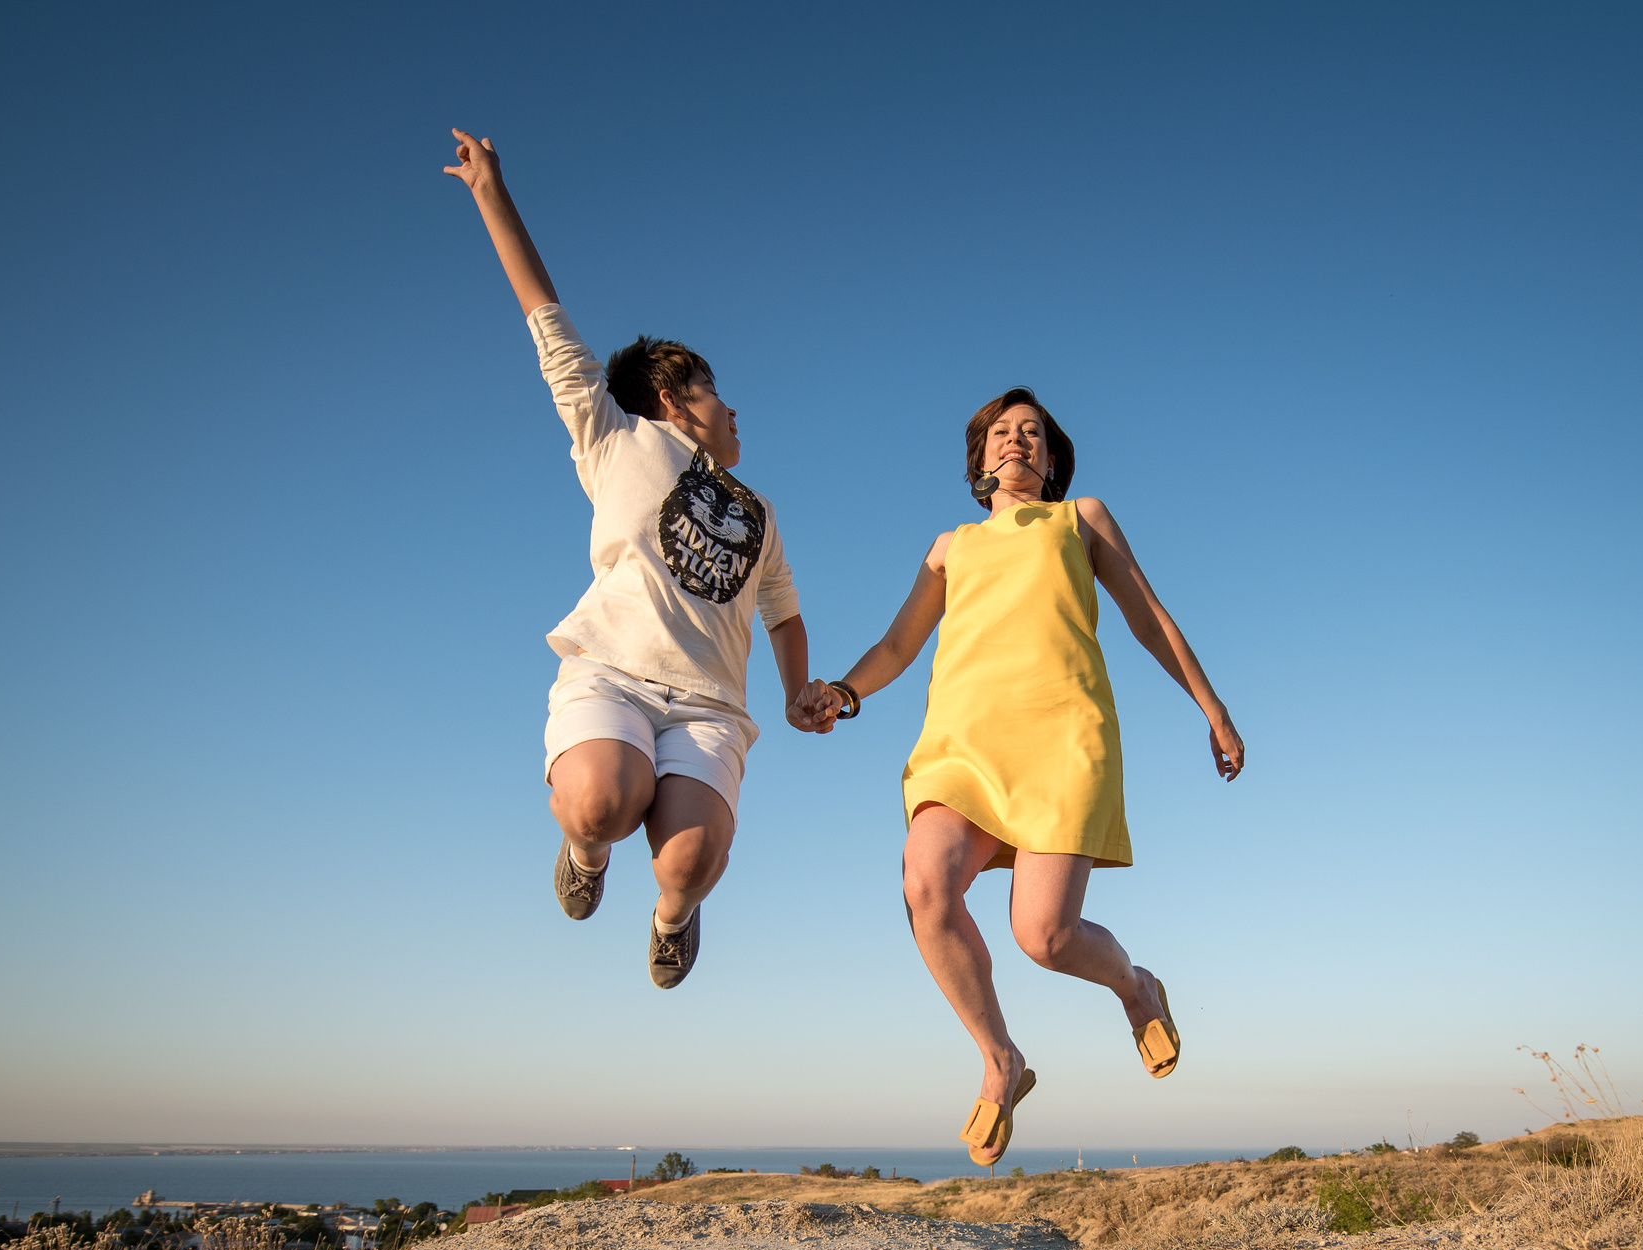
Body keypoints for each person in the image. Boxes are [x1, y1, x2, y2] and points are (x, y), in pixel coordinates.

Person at [445, 128, 837, 988]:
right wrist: (489, 193)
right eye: (716, 392)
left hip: (707, 706)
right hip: (613, 676)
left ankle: (673, 918)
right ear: (674, 399)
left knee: (689, 861)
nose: (734, 408)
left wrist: (798, 690)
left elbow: (783, 607)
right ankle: (583, 850)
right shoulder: (615, 435)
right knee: (603, 798)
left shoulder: (760, 511)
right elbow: (544, 317)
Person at [819, 389, 1243, 1165]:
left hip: (1061, 735)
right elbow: (897, 644)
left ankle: (1136, 987)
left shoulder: (1081, 519)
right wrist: (843, 693)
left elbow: (1150, 616)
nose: (1018, 440)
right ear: (981, 459)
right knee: (926, 884)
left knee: (1043, 937)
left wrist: (1210, 707)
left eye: (1033, 433)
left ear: (1050, 459)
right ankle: (1000, 1060)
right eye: (1002, 433)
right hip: (963, 745)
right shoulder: (949, 547)